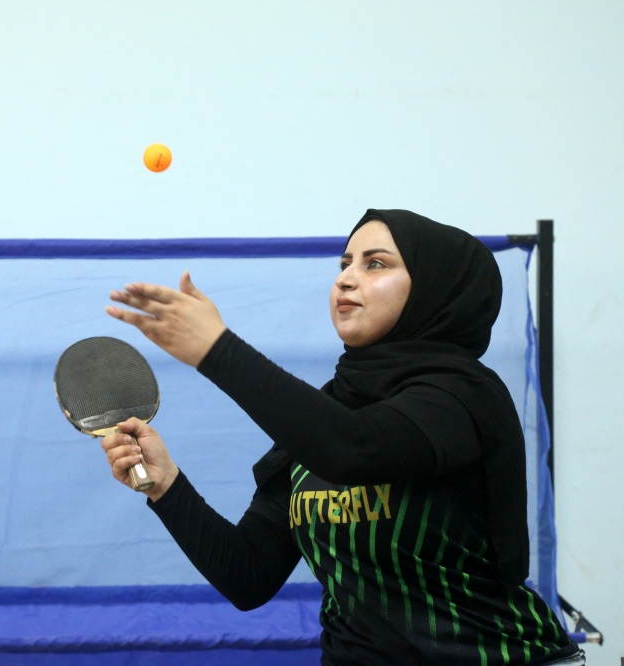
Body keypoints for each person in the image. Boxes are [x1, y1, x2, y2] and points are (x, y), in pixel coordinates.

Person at [101, 209, 584, 665]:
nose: (346, 278)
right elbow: (247, 576)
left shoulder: (462, 397)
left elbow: (352, 449)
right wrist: (165, 486)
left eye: (376, 264)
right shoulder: (323, 415)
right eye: (345, 263)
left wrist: (216, 350)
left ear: (435, 288)